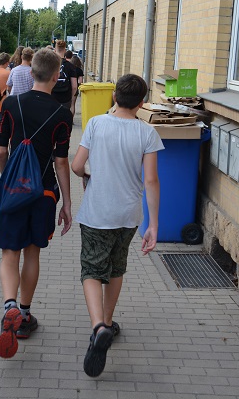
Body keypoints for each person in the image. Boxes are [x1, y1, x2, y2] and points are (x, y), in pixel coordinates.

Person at [71, 74, 164, 377]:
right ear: (141, 103)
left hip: (97, 212)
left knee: (91, 269)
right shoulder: (148, 133)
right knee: (116, 267)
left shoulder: (96, 124)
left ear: (114, 97)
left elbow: (77, 165)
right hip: (128, 215)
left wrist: (87, 174)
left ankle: (98, 326)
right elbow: (151, 180)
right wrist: (153, 224)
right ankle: (108, 323)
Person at [0, 48, 73, 359]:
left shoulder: (10, 104)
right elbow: (62, 162)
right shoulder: (63, 115)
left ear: (30, 73)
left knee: (9, 252)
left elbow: (1, 151)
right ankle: (25, 316)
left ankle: (9, 307)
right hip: (43, 193)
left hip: (14, 192)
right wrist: (67, 204)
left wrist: (7, 180)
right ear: (56, 76)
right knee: (32, 253)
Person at [51, 40, 78, 115]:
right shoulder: (71, 66)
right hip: (65, 98)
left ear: (55, 50)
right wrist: (70, 97)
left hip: (52, 97)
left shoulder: (50, 65)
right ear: (65, 51)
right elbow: (74, 87)